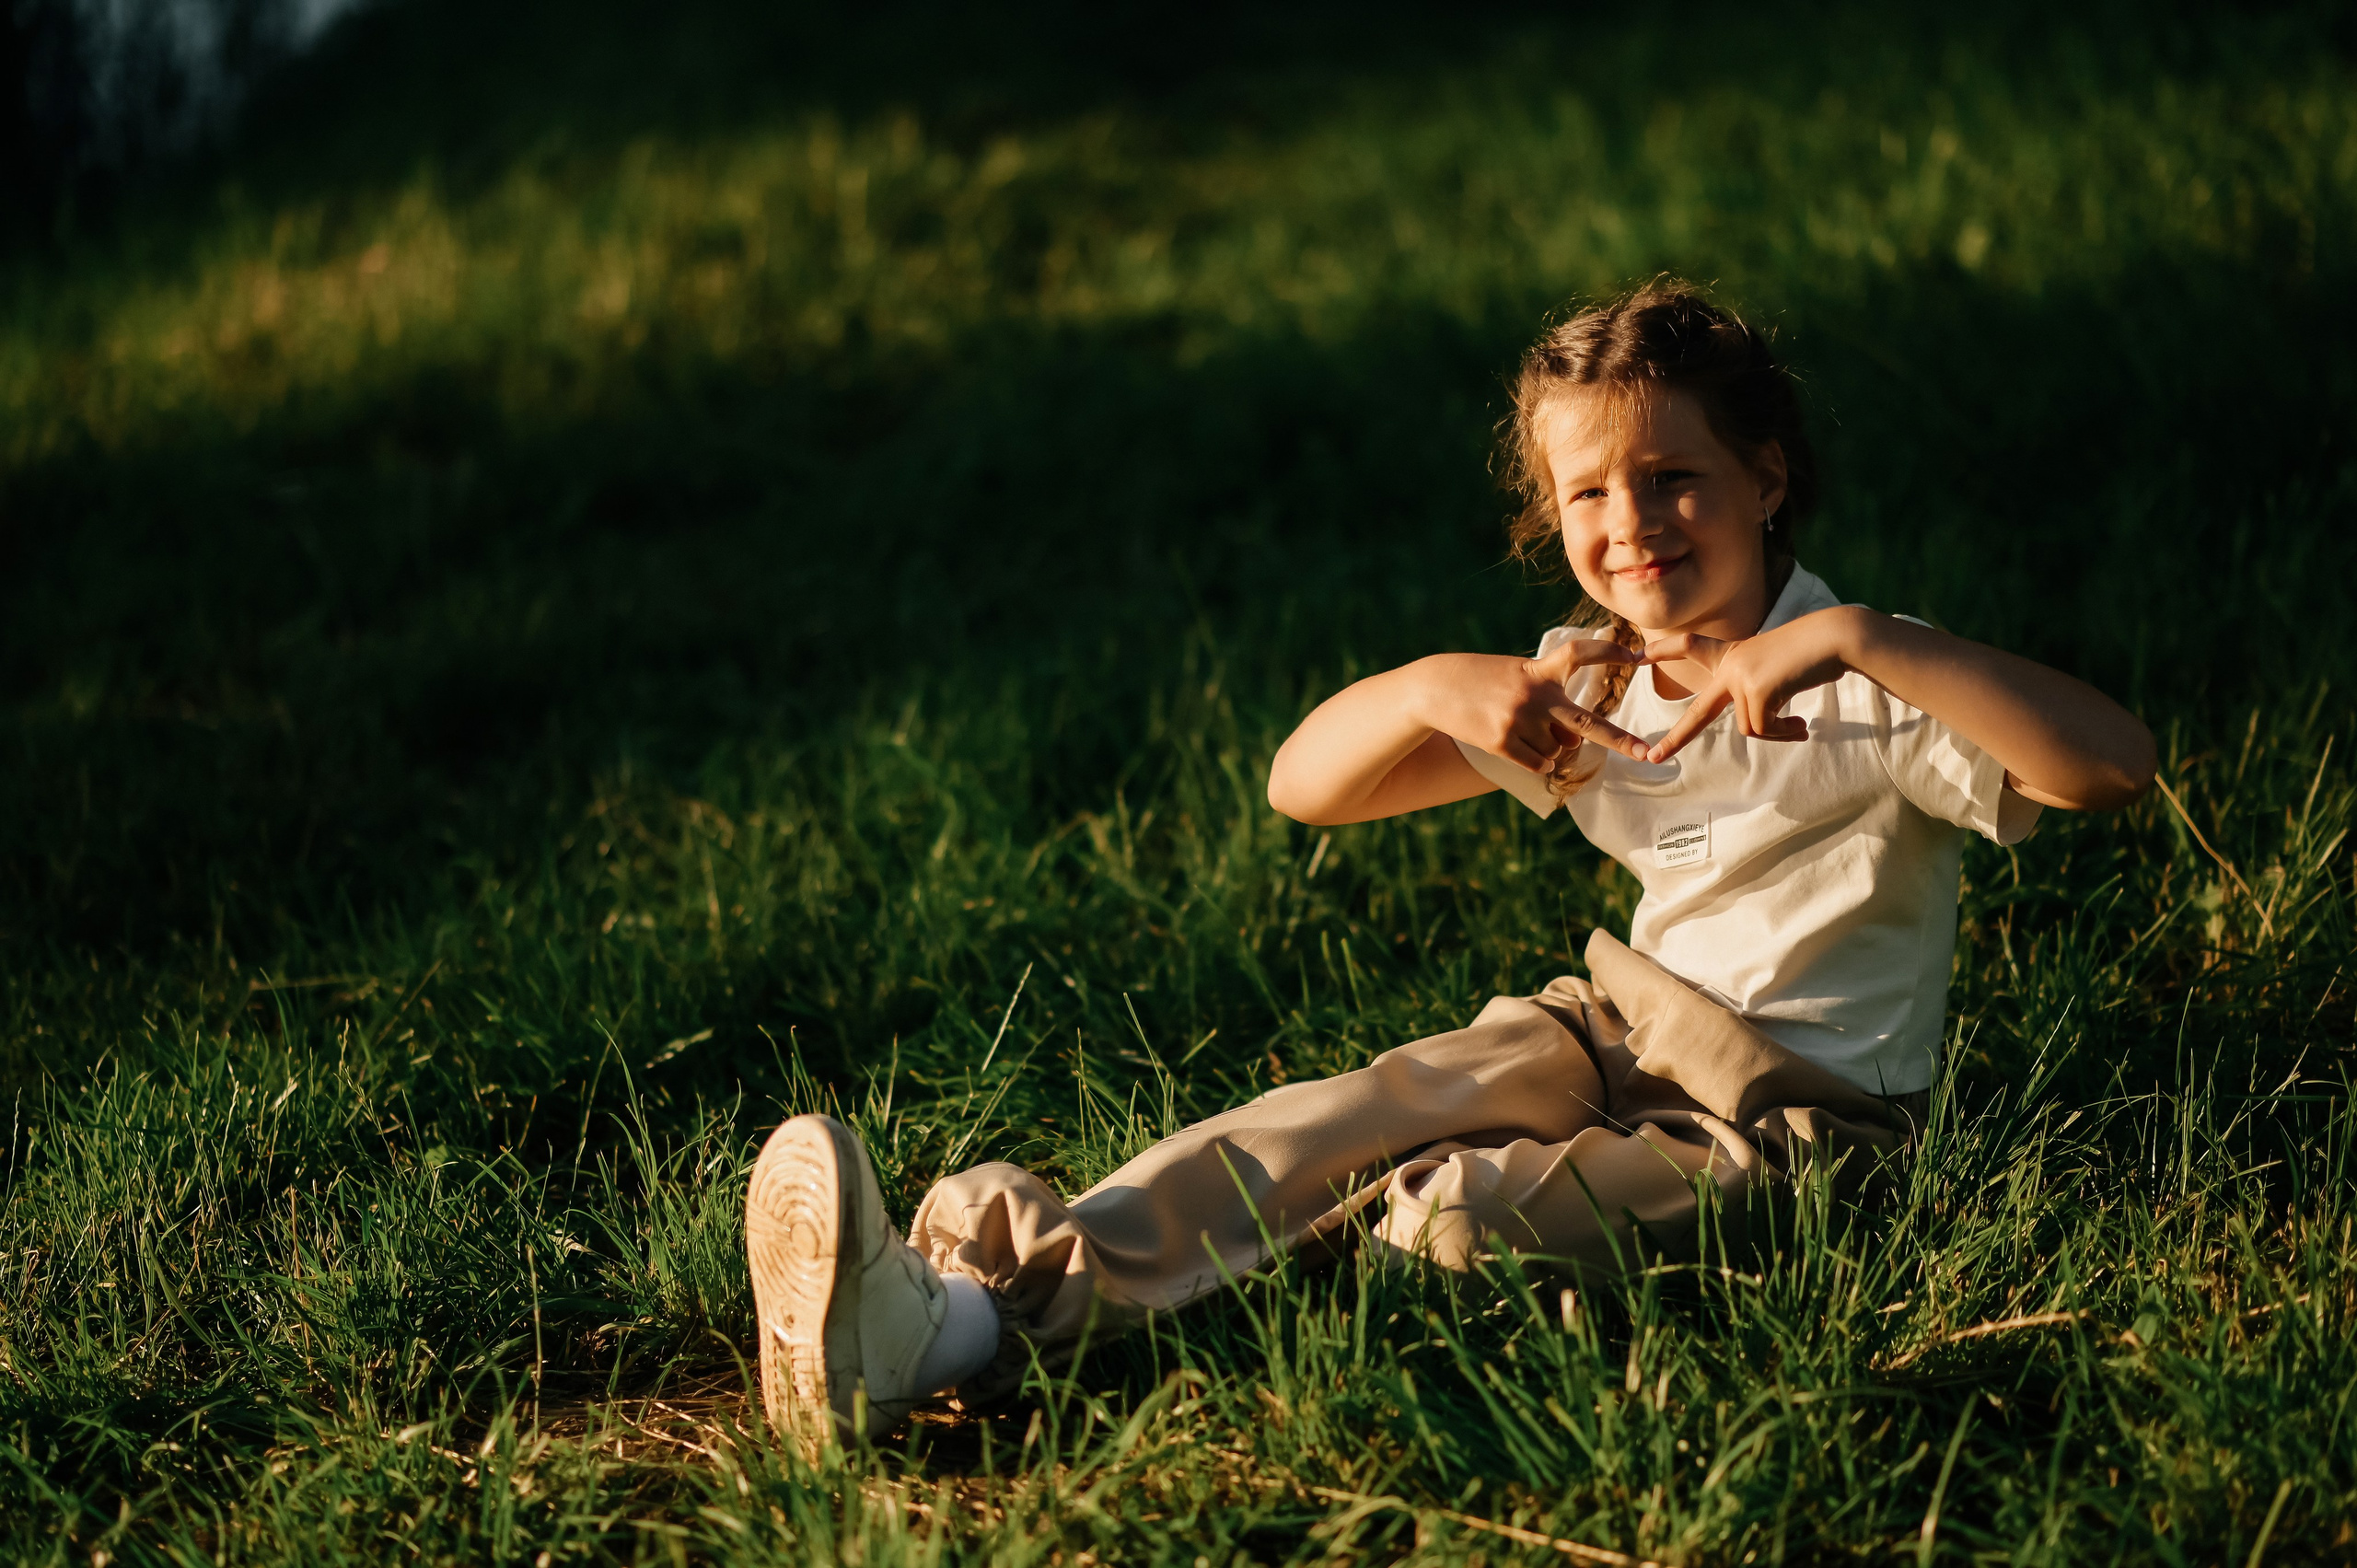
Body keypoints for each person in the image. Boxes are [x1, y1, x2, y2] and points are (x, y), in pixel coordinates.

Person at [743, 281, 2156, 1443]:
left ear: (1767, 478)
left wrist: (1865, 641)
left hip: (1797, 1120)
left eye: (1677, 479)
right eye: (1591, 492)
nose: (1635, 523)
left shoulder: (1868, 686)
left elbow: (2112, 764)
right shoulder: (1590, 683)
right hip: (1609, 1024)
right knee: (1339, 1121)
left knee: (1451, 1219)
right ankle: (952, 1304)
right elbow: (1308, 790)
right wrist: (1430, 683)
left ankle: (1018, 1326)